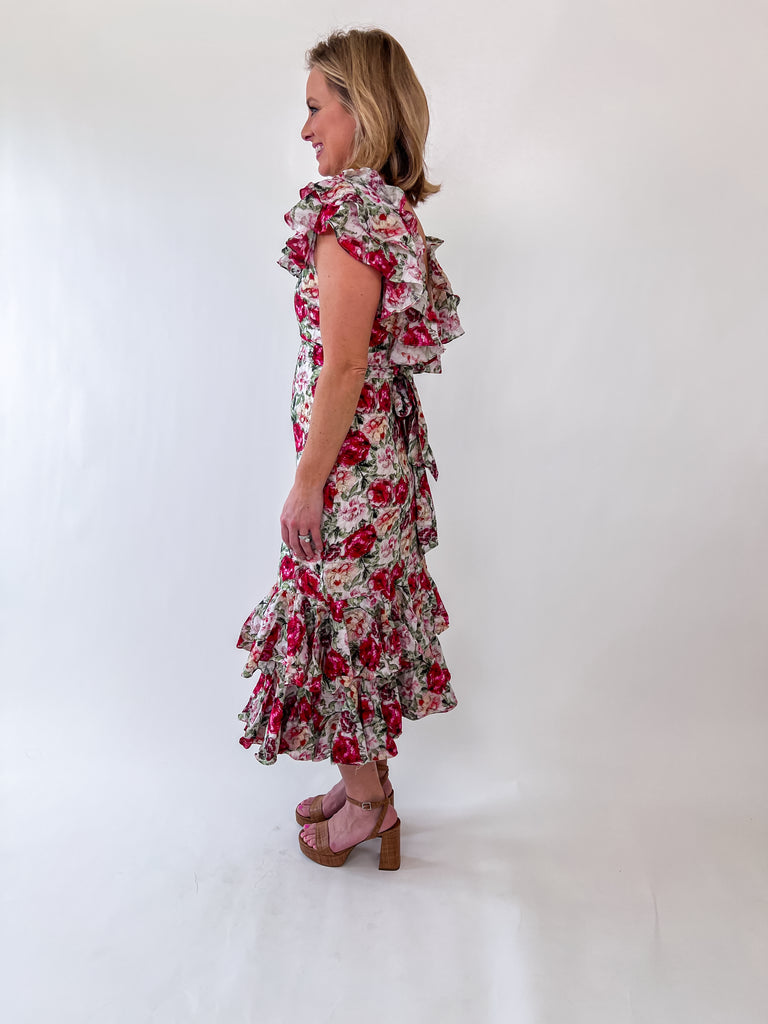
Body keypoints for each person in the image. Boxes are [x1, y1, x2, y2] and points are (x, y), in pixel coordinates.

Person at [235, 27, 464, 870]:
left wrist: (306, 483)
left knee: (334, 614)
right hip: (375, 457)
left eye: (315, 109)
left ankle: (368, 802)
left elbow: (345, 364)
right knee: (354, 609)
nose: (305, 130)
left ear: (359, 109)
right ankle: (364, 782)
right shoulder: (386, 208)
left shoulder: (346, 212)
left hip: (351, 468)